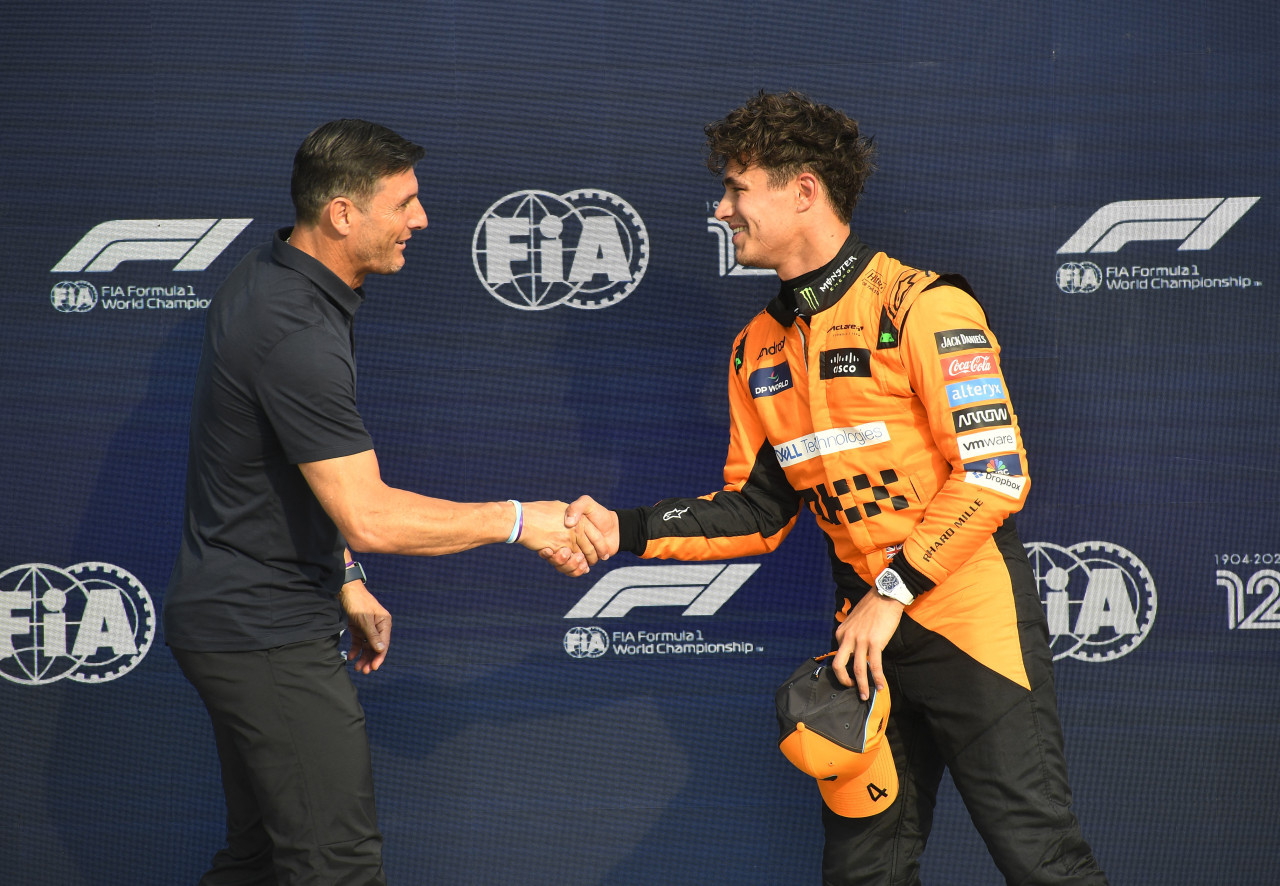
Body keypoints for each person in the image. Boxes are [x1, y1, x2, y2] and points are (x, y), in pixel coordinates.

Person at [557, 91, 1109, 885]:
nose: (720, 210)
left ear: (803, 190)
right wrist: (625, 529)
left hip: (964, 620)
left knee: (1039, 857)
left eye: (737, 189)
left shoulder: (921, 305)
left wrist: (891, 592)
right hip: (864, 648)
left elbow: (994, 473)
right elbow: (755, 510)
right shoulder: (756, 349)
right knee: (863, 872)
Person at [163, 119, 593, 886]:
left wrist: (344, 577)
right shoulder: (291, 326)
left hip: (245, 617)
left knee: (262, 862)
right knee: (336, 867)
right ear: (341, 215)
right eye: (406, 203)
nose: (421, 220)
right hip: (263, 633)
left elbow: (284, 476)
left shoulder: (277, 276)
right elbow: (371, 513)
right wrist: (523, 520)